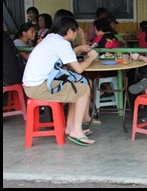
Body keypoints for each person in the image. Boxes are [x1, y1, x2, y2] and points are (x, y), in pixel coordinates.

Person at [22, 16, 99, 146]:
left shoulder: (52, 38)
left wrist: (79, 49)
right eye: (76, 31)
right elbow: (79, 69)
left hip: (33, 84)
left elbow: (62, 56)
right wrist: (91, 58)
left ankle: (70, 127)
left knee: (77, 86)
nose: (76, 33)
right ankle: (77, 131)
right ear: (69, 31)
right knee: (84, 89)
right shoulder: (62, 43)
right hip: (39, 87)